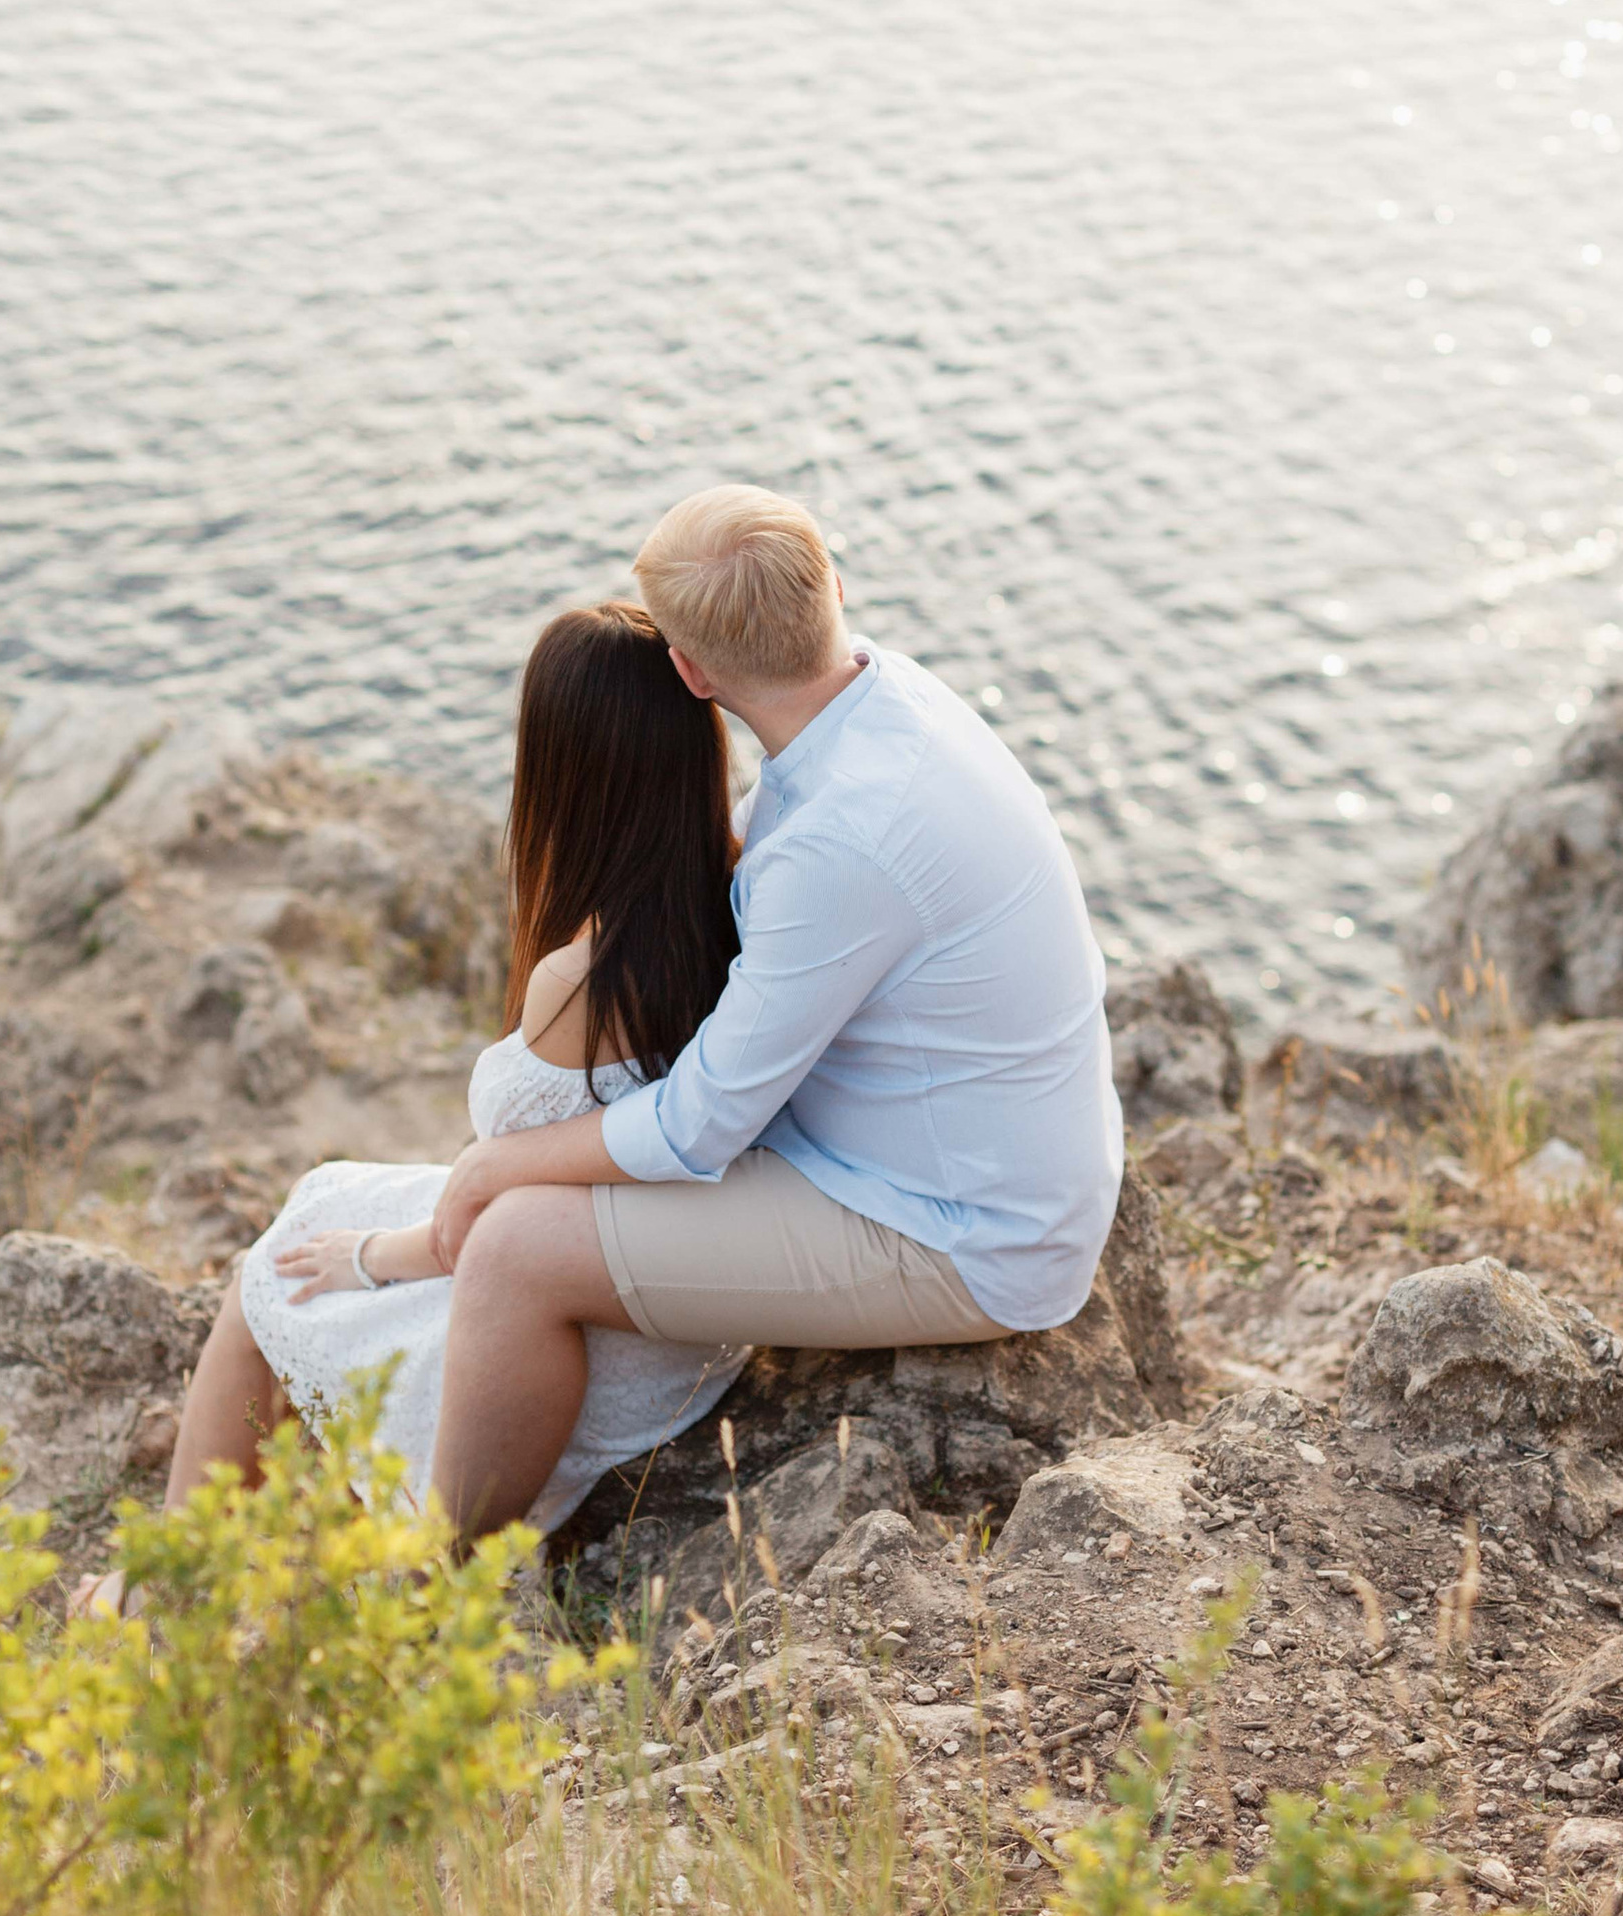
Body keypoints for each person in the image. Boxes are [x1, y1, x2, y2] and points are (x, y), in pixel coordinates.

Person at [419, 482, 1123, 1542]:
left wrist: (492, 1164)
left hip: (965, 1232)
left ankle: (435, 1574)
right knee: (538, 1187)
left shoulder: (845, 840)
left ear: (692, 675)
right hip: (972, 1161)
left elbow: (701, 1128)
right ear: (835, 591)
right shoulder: (887, 696)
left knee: (516, 1245)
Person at [162, 601, 752, 1530]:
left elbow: (487, 1226)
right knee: (323, 1201)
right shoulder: (745, 899)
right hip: (685, 1318)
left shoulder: (587, 983)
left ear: (563, 771)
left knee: (272, 1273)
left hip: (572, 1339)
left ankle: (170, 1591)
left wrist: (370, 1260)